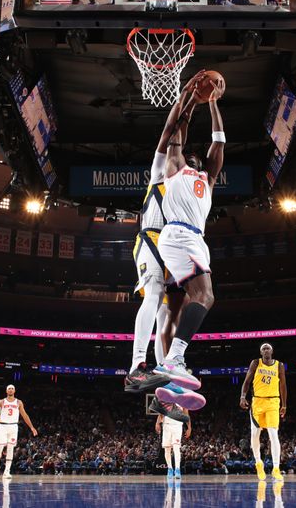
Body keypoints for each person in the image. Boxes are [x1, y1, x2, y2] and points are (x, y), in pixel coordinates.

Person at [124, 73, 201, 397]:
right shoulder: (160, 173)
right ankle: (136, 368)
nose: (189, 167)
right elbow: (171, 134)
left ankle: (163, 387)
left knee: (166, 317)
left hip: (171, 248)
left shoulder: (190, 195)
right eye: (187, 162)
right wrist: (187, 100)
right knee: (154, 295)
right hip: (150, 239)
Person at [153, 71, 225, 410]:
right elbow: (177, 134)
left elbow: (219, 142)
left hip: (194, 239)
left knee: (193, 301)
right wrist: (191, 101)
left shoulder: (208, 180)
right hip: (178, 233)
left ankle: (171, 372)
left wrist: (213, 104)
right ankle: (173, 359)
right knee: (204, 295)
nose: (195, 158)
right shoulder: (175, 168)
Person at [239, 343, 287, 481]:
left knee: (273, 434)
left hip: (273, 402)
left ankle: (276, 468)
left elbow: (283, 385)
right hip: (257, 402)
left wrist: (284, 405)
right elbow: (247, 381)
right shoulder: (255, 363)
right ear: (261, 352)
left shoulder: (279, 365)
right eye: (263, 349)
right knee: (255, 433)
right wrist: (243, 396)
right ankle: (258, 463)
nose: (266, 350)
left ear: (272, 351)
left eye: (268, 348)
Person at [0, 384, 38, 478]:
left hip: (13, 427)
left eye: (12, 388)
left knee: (10, 448)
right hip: (3, 426)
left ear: (14, 391)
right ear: (6, 391)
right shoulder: (1, 401)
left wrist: (32, 427)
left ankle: (6, 471)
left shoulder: (19, 402)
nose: (11, 390)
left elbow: (25, 415)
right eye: (9, 389)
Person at [156, 406, 191, 480]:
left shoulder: (183, 402)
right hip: (166, 426)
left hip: (177, 426)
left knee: (176, 448)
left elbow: (186, 415)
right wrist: (157, 423)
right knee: (167, 449)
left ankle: (177, 469)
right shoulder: (166, 399)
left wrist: (189, 428)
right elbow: (161, 413)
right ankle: (170, 469)